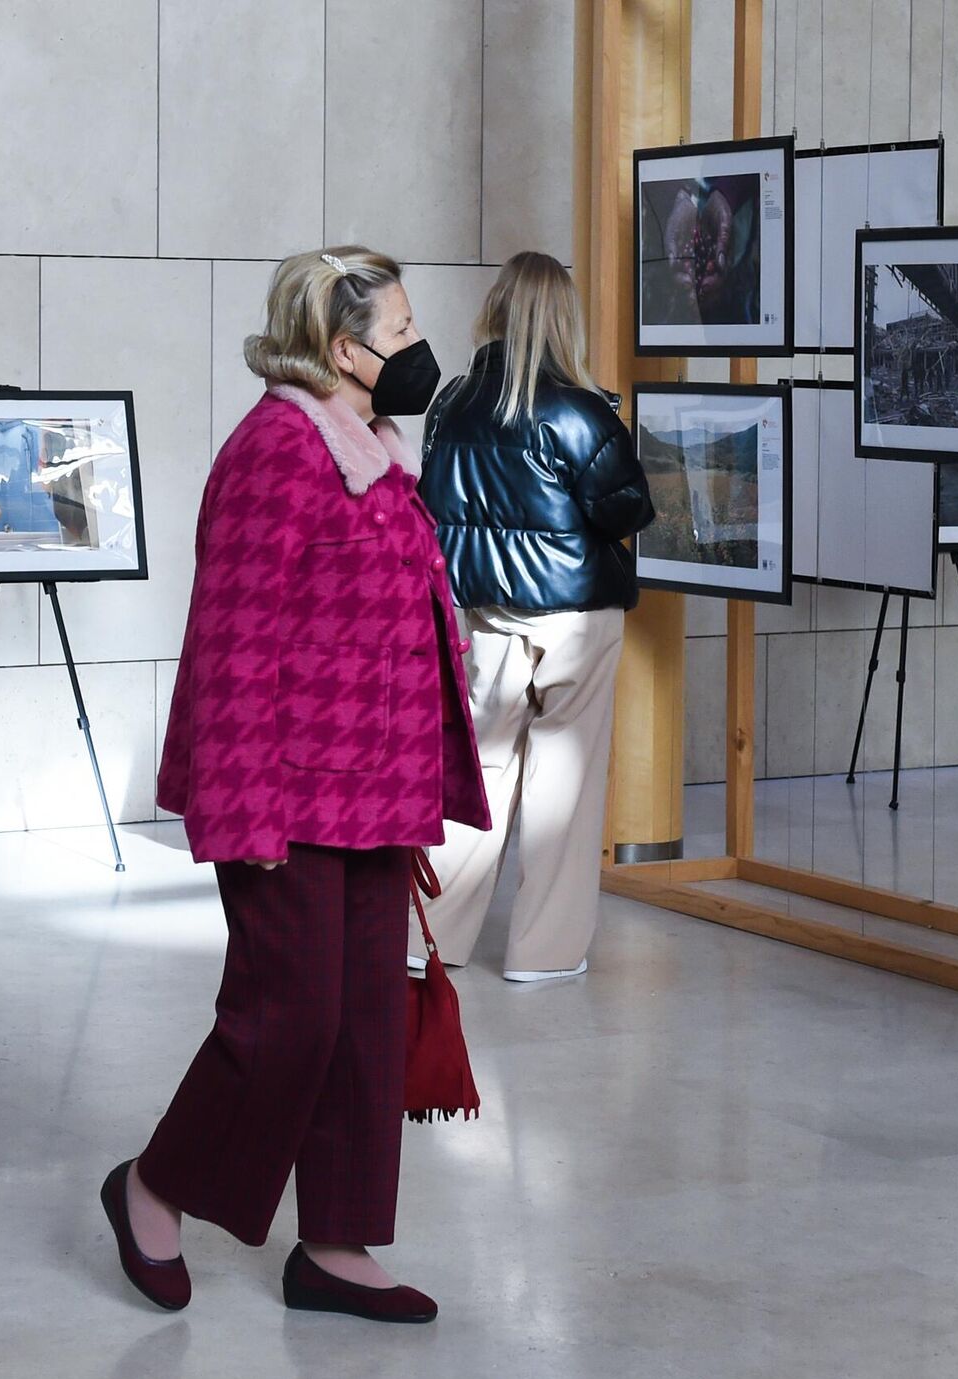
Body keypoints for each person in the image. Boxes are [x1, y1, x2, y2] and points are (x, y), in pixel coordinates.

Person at [101, 246, 489, 1322]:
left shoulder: (373, 444)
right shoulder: (277, 449)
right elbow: (233, 643)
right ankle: (151, 1185)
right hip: (287, 794)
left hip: (373, 787)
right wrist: (245, 813)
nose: (417, 350)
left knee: (365, 1018)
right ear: (338, 346)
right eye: (400, 332)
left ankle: (334, 1243)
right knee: (288, 1018)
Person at [418, 250, 653, 980]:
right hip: (576, 618)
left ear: (496, 309)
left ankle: (428, 940)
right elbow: (628, 508)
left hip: (482, 614)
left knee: (477, 773)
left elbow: (435, 507)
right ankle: (543, 953)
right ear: (563, 320)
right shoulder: (579, 412)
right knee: (565, 786)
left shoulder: (451, 401)